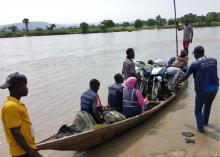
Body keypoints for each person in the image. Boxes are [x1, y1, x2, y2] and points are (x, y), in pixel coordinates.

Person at [176, 46, 219, 133]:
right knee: (208, 106)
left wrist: (177, 83)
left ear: (196, 53)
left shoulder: (194, 64)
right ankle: (205, 123)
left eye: (194, 54)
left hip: (203, 89)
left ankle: (201, 131)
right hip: (215, 87)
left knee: (198, 110)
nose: (194, 56)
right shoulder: (214, 60)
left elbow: (186, 75)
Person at [0, 72, 43, 157]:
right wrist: (31, 151)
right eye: (25, 85)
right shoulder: (11, 106)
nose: (27, 88)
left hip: (26, 149)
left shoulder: (16, 104)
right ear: (16, 87)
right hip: (22, 152)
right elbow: (16, 132)